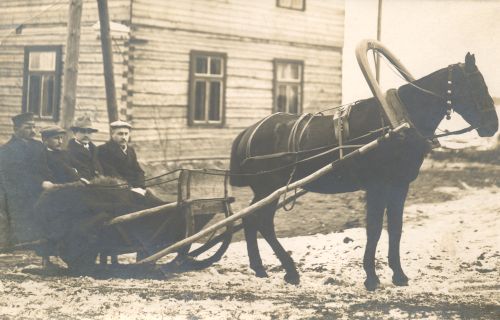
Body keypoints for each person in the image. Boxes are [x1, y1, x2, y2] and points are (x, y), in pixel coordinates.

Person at [0, 113, 55, 267]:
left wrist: (49, 182)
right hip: (19, 195)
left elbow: (46, 168)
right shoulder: (6, 151)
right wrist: (39, 183)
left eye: (33, 127)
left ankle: (46, 255)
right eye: (28, 127)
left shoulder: (38, 146)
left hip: (41, 191)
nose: (33, 131)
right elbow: (15, 177)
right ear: (16, 129)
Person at [98, 120, 146, 194]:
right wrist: (130, 188)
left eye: (126, 134)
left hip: (135, 188)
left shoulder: (130, 150)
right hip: (117, 188)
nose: (124, 137)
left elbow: (138, 171)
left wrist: (140, 186)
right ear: (112, 134)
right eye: (120, 134)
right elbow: (110, 172)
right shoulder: (104, 149)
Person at [67, 116, 103, 181]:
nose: (86, 135)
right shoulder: (70, 151)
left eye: (89, 132)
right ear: (75, 133)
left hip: (98, 183)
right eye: (82, 131)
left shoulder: (95, 149)